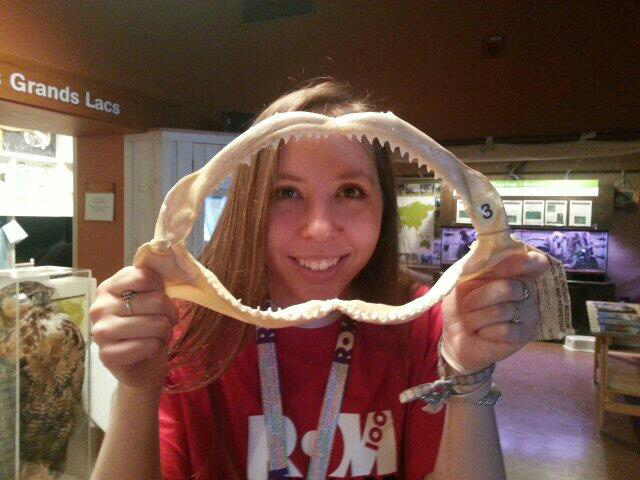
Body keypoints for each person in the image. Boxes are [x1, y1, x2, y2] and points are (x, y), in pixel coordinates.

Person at [89, 79, 548, 480]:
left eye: (351, 192)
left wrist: (469, 374)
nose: (320, 230)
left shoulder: (429, 324)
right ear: (249, 206)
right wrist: (137, 389)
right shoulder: (187, 328)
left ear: (383, 208)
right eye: (286, 193)